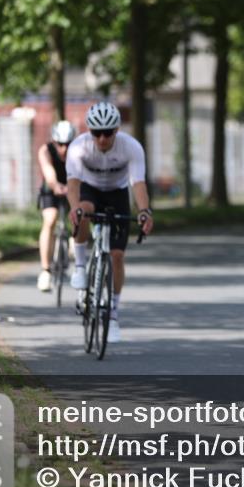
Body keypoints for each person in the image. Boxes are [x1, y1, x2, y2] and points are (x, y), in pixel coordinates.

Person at [67, 102, 153, 344]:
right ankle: (81, 267)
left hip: (117, 193)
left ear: (117, 130)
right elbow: (73, 184)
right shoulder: (78, 147)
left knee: (117, 256)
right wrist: (74, 209)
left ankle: (113, 315)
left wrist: (145, 211)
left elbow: (138, 183)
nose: (102, 139)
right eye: (96, 133)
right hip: (90, 190)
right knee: (83, 212)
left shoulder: (131, 147)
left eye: (108, 133)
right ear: (89, 132)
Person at [36, 121, 76, 291]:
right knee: (50, 219)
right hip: (51, 189)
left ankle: (74, 243)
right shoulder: (45, 150)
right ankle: (45, 270)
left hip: (73, 187)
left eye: (68, 144)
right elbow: (48, 171)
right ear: (54, 142)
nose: (64, 149)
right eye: (60, 144)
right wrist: (55, 185)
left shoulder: (78, 151)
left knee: (77, 215)